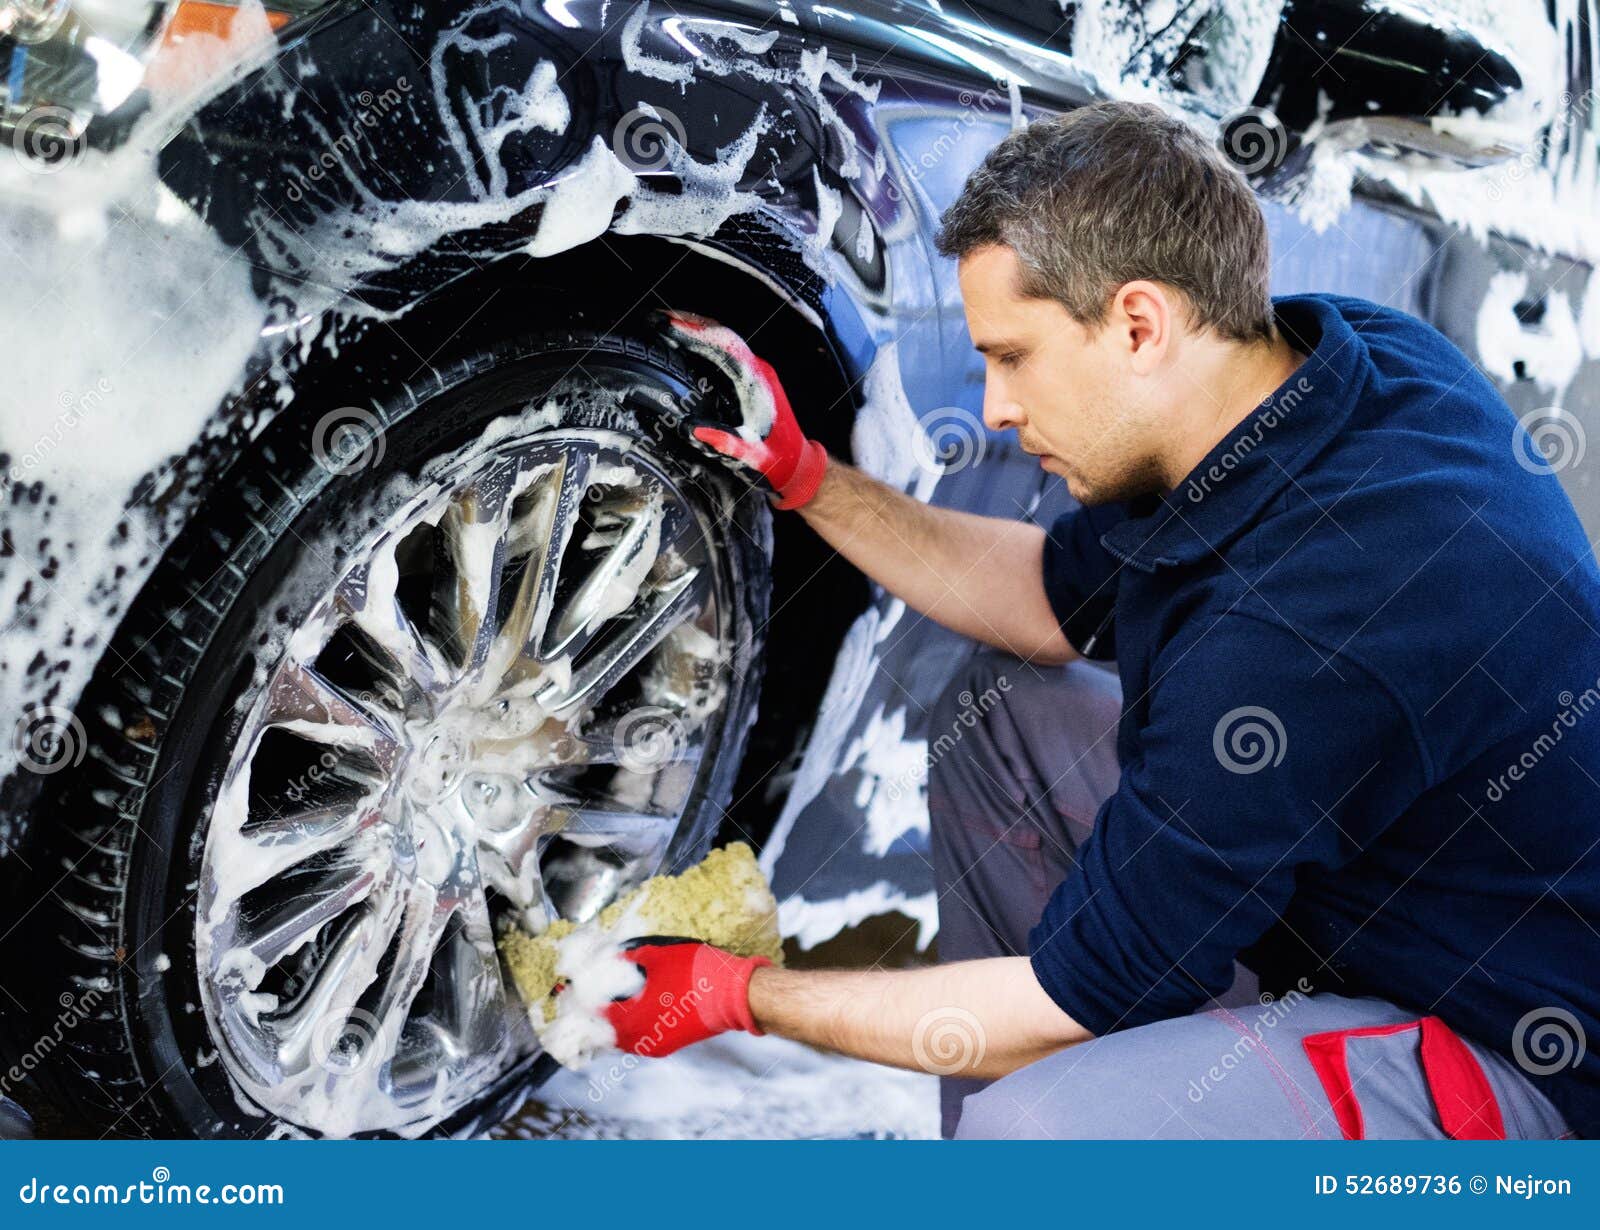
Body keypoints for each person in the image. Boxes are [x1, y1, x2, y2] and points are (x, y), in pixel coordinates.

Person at [601, 100, 1600, 1140]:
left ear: (1137, 325)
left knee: (1042, 1133)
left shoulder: (1304, 631)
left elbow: (1065, 999)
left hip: (1518, 1063)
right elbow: (1040, 597)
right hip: (1375, 919)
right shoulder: (1336, 370)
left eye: (1014, 356)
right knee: (1008, 719)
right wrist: (811, 480)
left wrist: (739, 996)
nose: (992, 405)